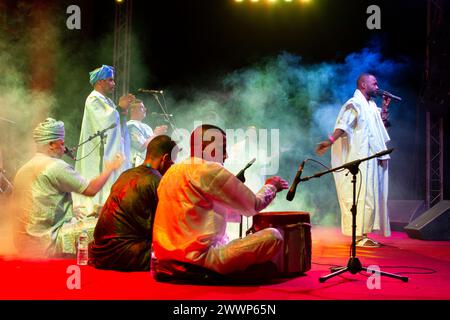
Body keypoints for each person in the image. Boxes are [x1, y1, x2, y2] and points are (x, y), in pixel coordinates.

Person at [152, 124, 289, 279]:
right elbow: (253, 206)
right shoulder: (207, 169)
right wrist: (272, 186)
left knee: (228, 239)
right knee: (274, 236)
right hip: (199, 259)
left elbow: (199, 209)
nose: (226, 155)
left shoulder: (171, 172)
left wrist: (235, 203)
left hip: (164, 257)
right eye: (223, 148)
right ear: (207, 147)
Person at [11, 118, 124, 258]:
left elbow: (34, 205)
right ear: (51, 144)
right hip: (48, 244)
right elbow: (91, 189)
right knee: (109, 225)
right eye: (62, 143)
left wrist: (67, 212)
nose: (64, 149)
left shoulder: (23, 169)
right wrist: (110, 168)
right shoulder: (55, 166)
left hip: (24, 244)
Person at [315, 73, 392, 248]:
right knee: (360, 195)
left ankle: (363, 234)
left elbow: (382, 125)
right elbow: (343, 125)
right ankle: (357, 236)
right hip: (359, 157)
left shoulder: (371, 105)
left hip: (371, 157)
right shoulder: (354, 104)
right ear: (363, 84)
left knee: (371, 196)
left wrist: (385, 107)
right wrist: (330, 141)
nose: (377, 87)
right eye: (374, 83)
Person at [89, 135, 179, 271]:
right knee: (180, 255)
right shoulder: (157, 180)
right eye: (171, 164)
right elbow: (164, 229)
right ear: (165, 158)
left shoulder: (126, 174)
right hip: (125, 254)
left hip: (99, 252)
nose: (170, 168)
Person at [73, 65, 135, 215]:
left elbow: (117, 123)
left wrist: (123, 112)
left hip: (108, 152)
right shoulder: (93, 99)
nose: (114, 84)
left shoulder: (106, 101)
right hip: (98, 155)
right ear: (100, 82)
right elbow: (105, 123)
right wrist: (119, 109)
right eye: (110, 80)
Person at [127, 99, 168, 167]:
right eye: (141, 107)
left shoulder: (147, 127)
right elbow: (141, 146)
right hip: (136, 166)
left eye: (144, 107)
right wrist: (155, 134)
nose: (145, 110)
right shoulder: (130, 126)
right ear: (132, 110)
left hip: (149, 165)